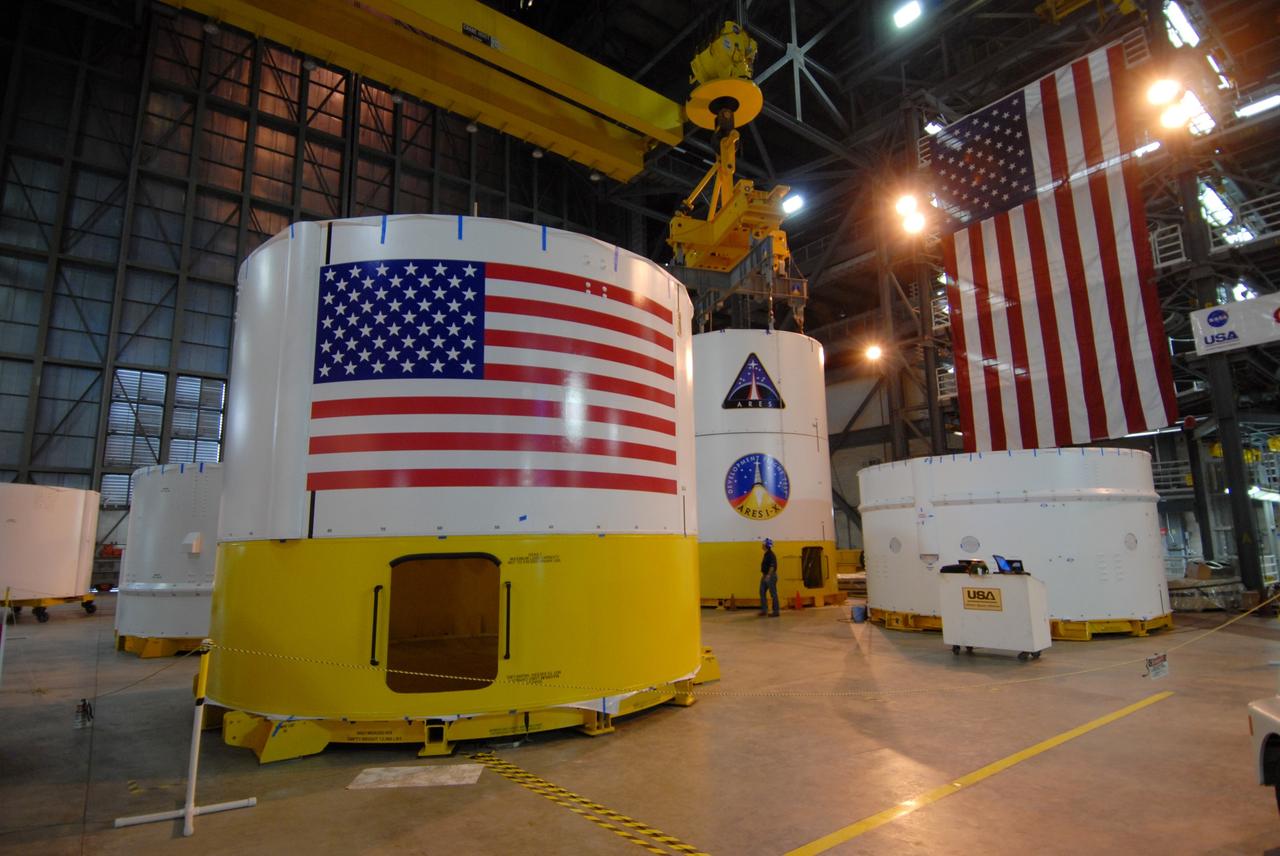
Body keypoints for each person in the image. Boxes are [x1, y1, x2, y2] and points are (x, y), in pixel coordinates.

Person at [758, 538, 779, 617]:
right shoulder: (766, 554)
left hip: (770, 576)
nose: (762, 545)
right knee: (762, 592)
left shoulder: (771, 555)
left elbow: (772, 566)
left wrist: (768, 576)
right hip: (765, 575)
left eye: (763, 544)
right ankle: (764, 610)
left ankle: (776, 611)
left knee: (773, 594)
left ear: (766, 545)